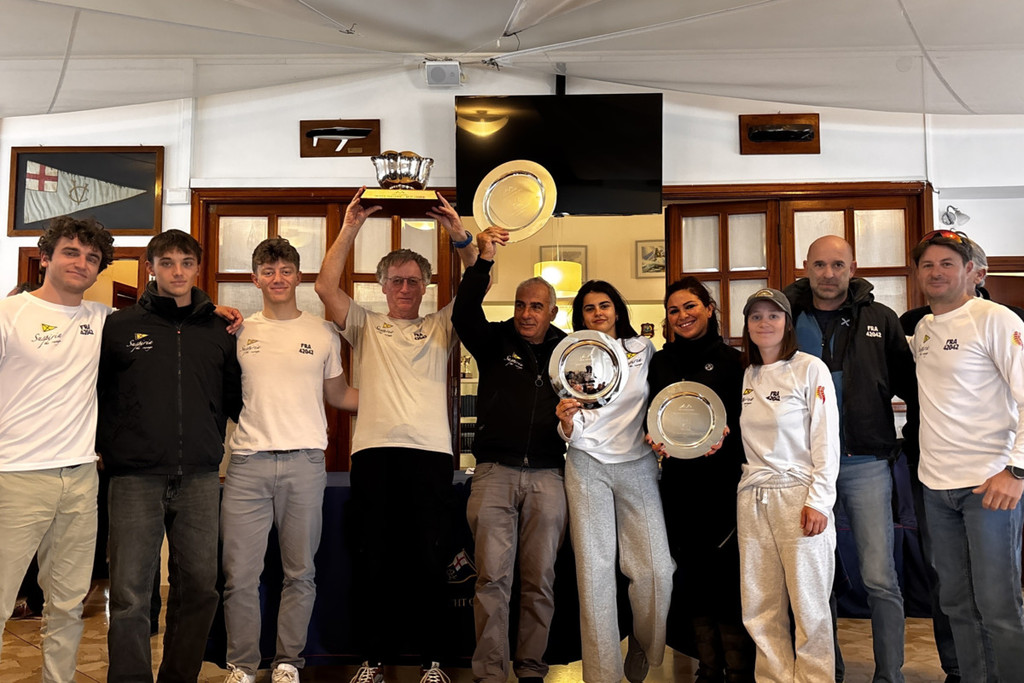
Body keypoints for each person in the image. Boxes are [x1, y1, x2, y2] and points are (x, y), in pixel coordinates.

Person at [314, 188, 478, 683]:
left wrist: (460, 236)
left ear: (426, 287)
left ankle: (432, 661)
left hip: (430, 455)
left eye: (413, 281)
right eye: (396, 280)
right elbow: (324, 286)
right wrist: (350, 227)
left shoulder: (442, 326)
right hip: (374, 454)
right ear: (382, 286)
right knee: (374, 560)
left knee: (430, 559)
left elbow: (477, 286)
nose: (405, 288)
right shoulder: (365, 325)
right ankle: (371, 661)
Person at [97, 229, 243, 683]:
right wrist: (107, 446)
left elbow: (234, 398)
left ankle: (179, 677)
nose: (177, 271)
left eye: (186, 262)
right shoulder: (119, 327)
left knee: (199, 588)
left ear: (197, 268)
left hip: (200, 476)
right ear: (151, 268)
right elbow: (98, 393)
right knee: (130, 593)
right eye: (166, 262)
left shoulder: (219, 329)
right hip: (134, 478)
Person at [221, 238, 358, 683]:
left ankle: (287, 663)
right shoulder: (238, 332)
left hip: (305, 464)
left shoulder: (323, 332)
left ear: (298, 276)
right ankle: (242, 666)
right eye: (268, 271)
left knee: (300, 573)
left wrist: (397, 399)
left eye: (285, 270)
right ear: (255, 279)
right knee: (240, 576)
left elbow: (339, 395)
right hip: (247, 465)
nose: (277, 278)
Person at [783, 235, 914, 683]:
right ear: (806, 266)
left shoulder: (881, 318)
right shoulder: (784, 315)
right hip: (803, 467)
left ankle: (890, 674)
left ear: (853, 268)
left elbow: (910, 385)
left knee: (880, 576)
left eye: (838, 265)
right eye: (819, 265)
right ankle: (826, 670)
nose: (828, 274)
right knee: (813, 577)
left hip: (865, 462)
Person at [451, 227, 568, 683]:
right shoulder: (495, 341)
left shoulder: (567, 350)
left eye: (536, 306)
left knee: (539, 581)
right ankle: (490, 673)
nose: (525, 313)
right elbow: (464, 312)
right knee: (492, 580)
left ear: (552, 311)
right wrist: (483, 260)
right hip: (494, 474)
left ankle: (532, 668)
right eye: (520, 304)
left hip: (549, 477)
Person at [0, 216, 114, 681]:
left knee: (67, 605)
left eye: (92, 257)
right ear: (46, 257)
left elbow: (163, 325)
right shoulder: (9, 314)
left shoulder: (103, 320)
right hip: (15, 477)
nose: (81, 262)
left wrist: (214, 311)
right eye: (71, 252)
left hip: (81, 479)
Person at [908, 229, 1024, 681]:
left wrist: (1016, 469)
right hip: (936, 487)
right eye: (928, 265)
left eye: (947, 264)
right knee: (956, 603)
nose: (936, 272)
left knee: (998, 604)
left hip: (990, 485)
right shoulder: (923, 328)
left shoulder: (996, 319)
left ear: (972, 271)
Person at [554, 280, 674, 683]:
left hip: (638, 464)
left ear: (617, 310)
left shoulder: (642, 350)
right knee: (594, 575)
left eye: (604, 305)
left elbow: (662, 397)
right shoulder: (570, 356)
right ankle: (602, 676)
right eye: (589, 308)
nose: (598, 313)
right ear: (581, 316)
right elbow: (572, 424)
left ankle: (643, 643)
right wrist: (565, 424)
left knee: (657, 571)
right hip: (586, 464)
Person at [646, 277, 754, 683]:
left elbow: (749, 424)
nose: (682, 316)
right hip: (677, 485)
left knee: (726, 579)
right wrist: (652, 437)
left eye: (690, 306)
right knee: (691, 579)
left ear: (709, 308)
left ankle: (739, 671)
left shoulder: (735, 361)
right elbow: (650, 415)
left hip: (723, 486)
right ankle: (707, 669)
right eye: (673, 310)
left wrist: (729, 438)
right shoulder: (660, 363)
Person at [737, 288, 840, 682]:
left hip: (798, 495)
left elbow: (826, 439)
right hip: (753, 496)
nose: (764, 323)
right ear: (747, 326)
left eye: (773, 315)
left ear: (787, 323)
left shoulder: (810, 368)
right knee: (760, 606)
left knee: (809, 605)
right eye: (756, 317)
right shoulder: (748, 375)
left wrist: (820, 501)